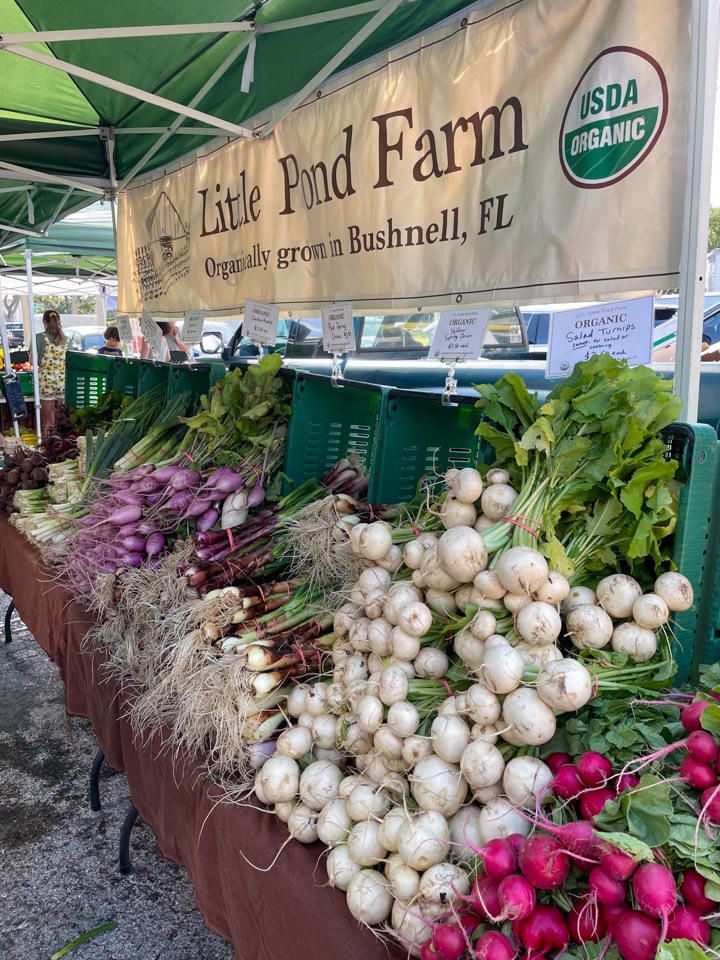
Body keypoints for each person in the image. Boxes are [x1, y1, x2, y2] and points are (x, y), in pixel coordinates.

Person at [36, 309, 68, 438]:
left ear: (44, 322)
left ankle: (47, 447)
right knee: (62, 418)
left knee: (48, 420)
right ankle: (62, 443)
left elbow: (33, 360)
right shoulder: (66, 339)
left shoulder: (39, 338)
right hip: (62, 380)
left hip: (46, 381)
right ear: (59, 322)